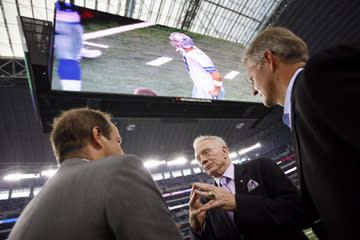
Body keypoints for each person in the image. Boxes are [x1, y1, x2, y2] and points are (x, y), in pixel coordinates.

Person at [244, 27, 360, 240]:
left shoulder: (319, 76)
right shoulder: (301, 104)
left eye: (251, 78)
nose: (252, 90)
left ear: (268, 59)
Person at [8, 108, 183, 240]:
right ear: (97, 135)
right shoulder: (120, 167)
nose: (121, 151)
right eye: (117, 141)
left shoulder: (32, 209)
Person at [189, 135, 309, 240]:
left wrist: (238, 203)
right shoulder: (205, 200)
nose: (203, 160)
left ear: (224, 151)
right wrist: (197, 228)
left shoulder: (261, 167)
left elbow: (298, 211)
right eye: (198, 159)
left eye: (206, 152)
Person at [169, 32, 224, 100]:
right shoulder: (188, 52)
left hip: (208, 90)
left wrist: (216, 91)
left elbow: (217, 75)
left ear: (183, 44)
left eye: (176, 42)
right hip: (198, 87)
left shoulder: (197, 56)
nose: (175, 45)